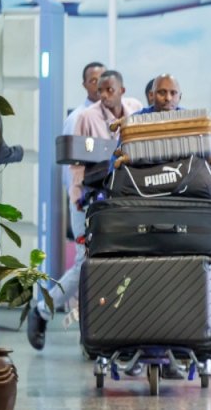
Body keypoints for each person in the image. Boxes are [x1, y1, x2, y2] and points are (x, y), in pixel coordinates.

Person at [27, 70, 142, 350]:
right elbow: (76, 165)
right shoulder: (85, 117)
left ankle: (105, 330)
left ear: (122, 90)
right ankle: (42, 311)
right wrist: (78, 197)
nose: (103, 95)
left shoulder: (136, 111)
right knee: (84, 263)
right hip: (87, 199)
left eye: (109, 89)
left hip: (120, 199)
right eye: (100, 89)